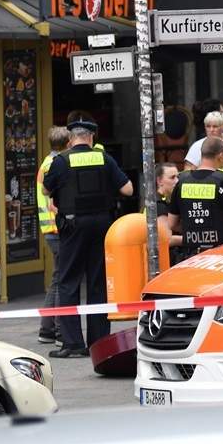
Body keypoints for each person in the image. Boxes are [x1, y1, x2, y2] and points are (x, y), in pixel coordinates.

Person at [41, 117, 135, 358]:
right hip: (101, 223)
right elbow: (128, 189)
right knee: (97, 281)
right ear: (91, 137)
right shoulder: (104, 158)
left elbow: (45, 190)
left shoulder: (61, 160)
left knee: (68, 281)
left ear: (71, 139)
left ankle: (73, 343)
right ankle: (99, 340)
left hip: (72, 226)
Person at [170, 136, 223, 261]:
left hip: (190, 255)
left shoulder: (181, 182)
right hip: (222, 255)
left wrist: (195, 230)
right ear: (220, 155)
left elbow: (171, 224)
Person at [34, 126, 68, 343]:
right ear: (67, 144)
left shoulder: (47, 163)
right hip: (56, 229)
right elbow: (54, 202)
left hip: (50, 230)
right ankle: (57, 329)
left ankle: (47, 329)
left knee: (57, 278)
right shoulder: (54, 166)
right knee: (62, 279)